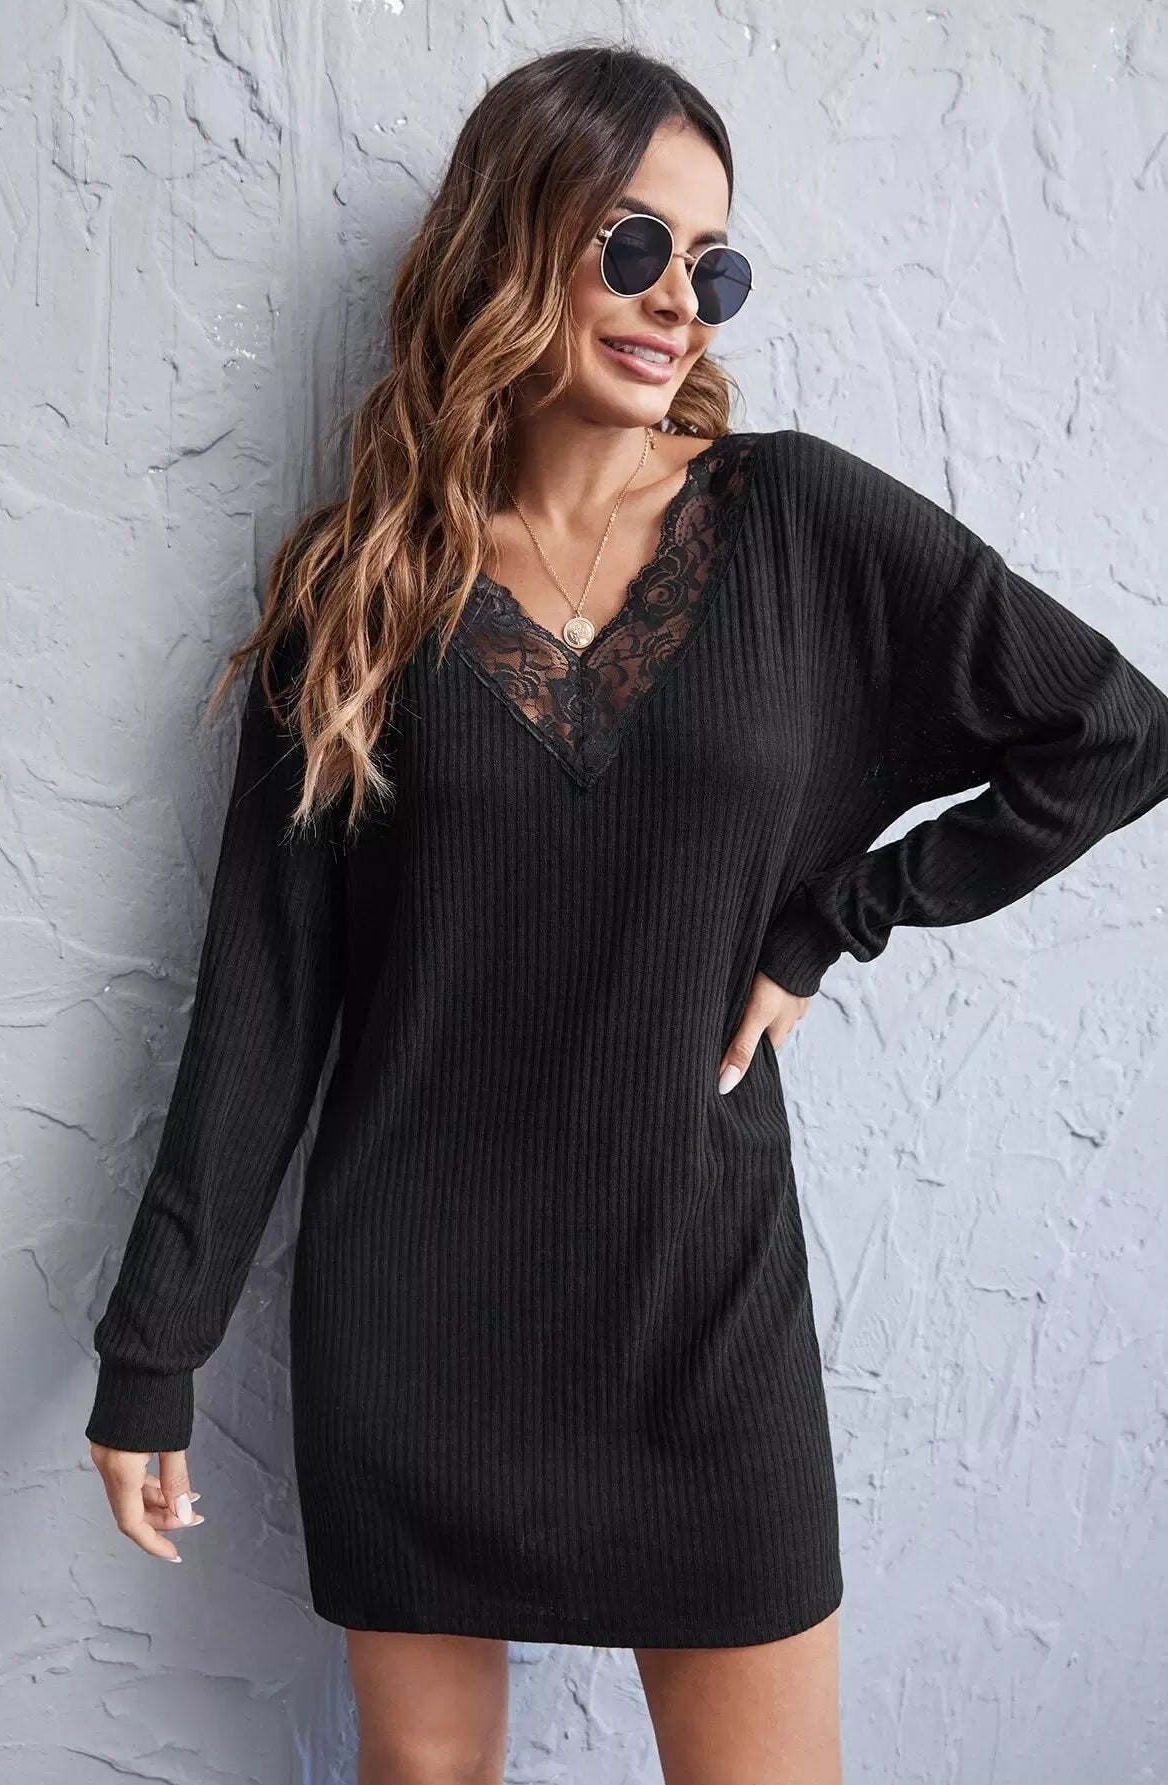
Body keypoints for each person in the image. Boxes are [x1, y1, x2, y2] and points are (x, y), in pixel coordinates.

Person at [84, 41, 1168, 1785]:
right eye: (637, 245)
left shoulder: (798, 523)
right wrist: (154, 1345)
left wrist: (837, 915)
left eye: (713, 266)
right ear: (516, 238)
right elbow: (264, 996)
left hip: (703, 1314)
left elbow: (1114, 731)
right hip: (417, 1315)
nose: (681, 302)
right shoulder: (363, 588)